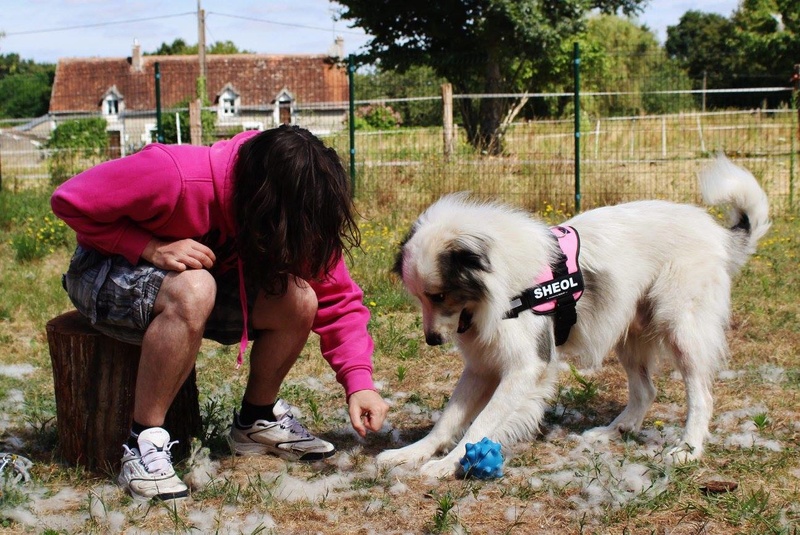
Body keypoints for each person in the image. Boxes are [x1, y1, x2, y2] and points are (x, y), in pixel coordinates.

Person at [51, 124, 389, 501]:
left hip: (186, 290)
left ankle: (255, 421)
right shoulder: (174, 174)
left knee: (300, 298)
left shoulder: (299, 207)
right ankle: (142, 444)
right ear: (260, 202)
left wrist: (360, 384)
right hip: (101, 272)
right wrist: (148, 247)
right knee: (196, 288)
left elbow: (337, 299)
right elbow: (68, 199)